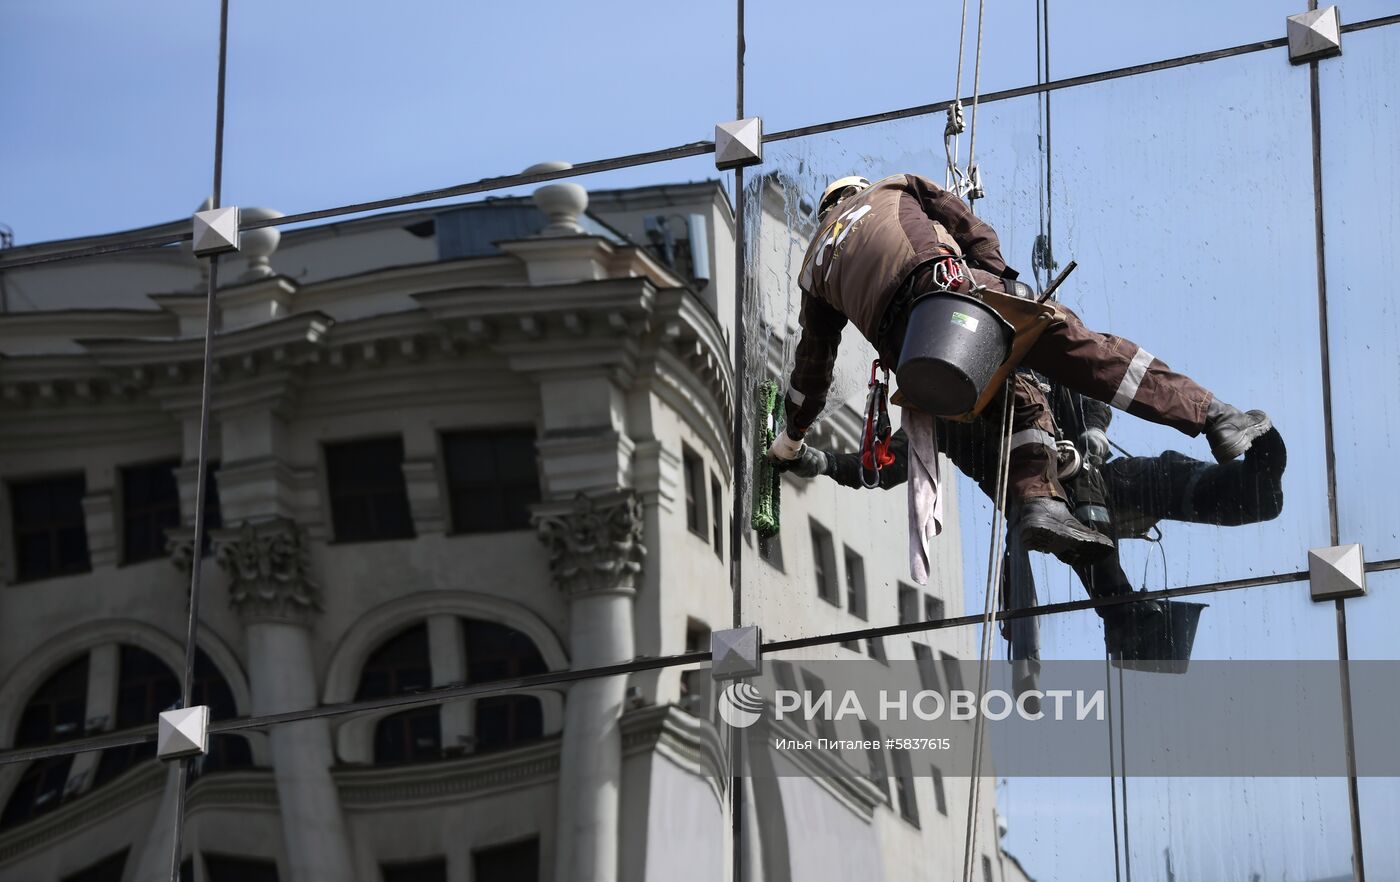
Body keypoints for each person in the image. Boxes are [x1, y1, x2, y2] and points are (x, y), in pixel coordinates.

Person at [767, 173, 1272, 566]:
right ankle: (1212, 416)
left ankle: (1040, 504)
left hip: (913, 349)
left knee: (1010, 397)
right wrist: (1003, 281)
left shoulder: (815, 264)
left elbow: (813, 366)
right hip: (952, 292)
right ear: (859, 189)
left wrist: (791, 439)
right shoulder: (895, 185)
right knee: (1090, 353)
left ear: (826, 211)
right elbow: (968, 225)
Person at [781, 392, 1288, 648]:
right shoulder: (943, 410)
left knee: (1182, 486)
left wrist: (1093, 431)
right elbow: (889, 464)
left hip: (1091, 480)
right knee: (1094, 552)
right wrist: (822, 462)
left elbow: (1088, 385)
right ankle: (1134, 623)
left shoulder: (1030, 354)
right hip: (1052, 502)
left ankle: (1258, 467)